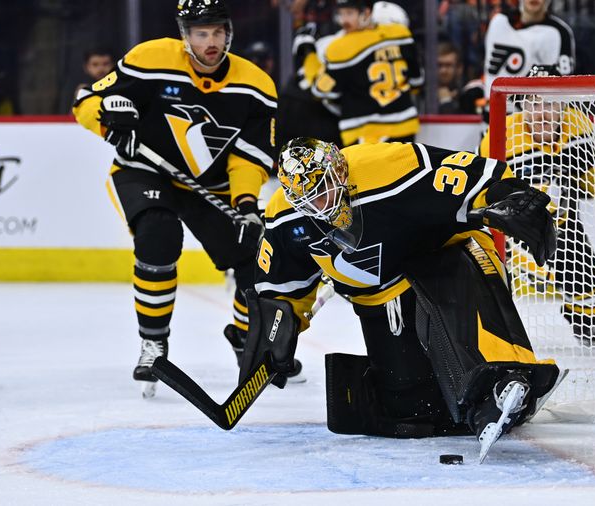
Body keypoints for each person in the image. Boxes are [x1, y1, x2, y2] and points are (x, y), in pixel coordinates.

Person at [240, 137, 560, 460]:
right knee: (412, 408)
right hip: (384, 293)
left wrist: (508, 195)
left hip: (449, 253)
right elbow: (282, 287)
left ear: (339, 166)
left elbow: (472, 173)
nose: (322, 203)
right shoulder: (284, 217)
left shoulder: (389, 166)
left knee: (450, 273)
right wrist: (280, 319)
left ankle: (503, 377)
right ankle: (473, 399)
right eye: (311, 199)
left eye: (325, 187)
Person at [72, 0, 286, 396]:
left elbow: (249, 157)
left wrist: (244, 203)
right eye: (201, 33)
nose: (211, 42)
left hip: (215, 185)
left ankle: (247, 339)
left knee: (253, 256)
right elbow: (86, 100)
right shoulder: (150, 59)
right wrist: (109, 122)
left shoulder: (255, 84)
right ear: (184, 34)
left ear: (229, 34)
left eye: (218, 32)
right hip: (147, 170)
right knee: (158, 235)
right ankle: (154, 345)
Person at [479, 64, 595, 347]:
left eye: (550, 102)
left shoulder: (579, 128)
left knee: (584, 267)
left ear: (564, 105)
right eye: (534, 102)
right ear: (521, 105)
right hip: (509, 235)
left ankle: (590, 323)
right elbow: (482, 196)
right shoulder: (501, 135)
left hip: (563, 227)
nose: (542, 112)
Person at [312, 0, 423, 146]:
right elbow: (417, 82)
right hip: (405, 125)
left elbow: (322, 92)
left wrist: (309, 58)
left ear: (367, 12)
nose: (344, 20)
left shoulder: (339, 48)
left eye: (350, 13)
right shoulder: (400, 34)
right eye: (341, 13)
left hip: (366, 132)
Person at [483, 0, 575, 102]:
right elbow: (490, 69)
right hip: (490, 111)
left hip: (528, 114)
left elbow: (564, 84)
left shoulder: (559, 32)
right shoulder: (498, 21)